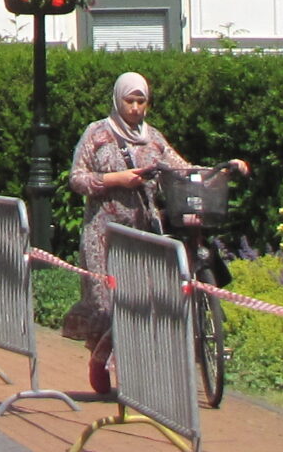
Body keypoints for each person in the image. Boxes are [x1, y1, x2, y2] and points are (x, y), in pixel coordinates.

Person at [64, 72, 249, 399]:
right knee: (106, 305)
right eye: (129, 101)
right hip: (104, 231)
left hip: (144, 230)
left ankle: (137, 376)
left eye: (141, 101)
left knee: (143, 301)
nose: (135, 108)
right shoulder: (97, 133)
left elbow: (182, 169)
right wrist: (116, 179)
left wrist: (225, 168)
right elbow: (77, 178)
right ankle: (100, 359)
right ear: (117, 100)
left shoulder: (154, 139)